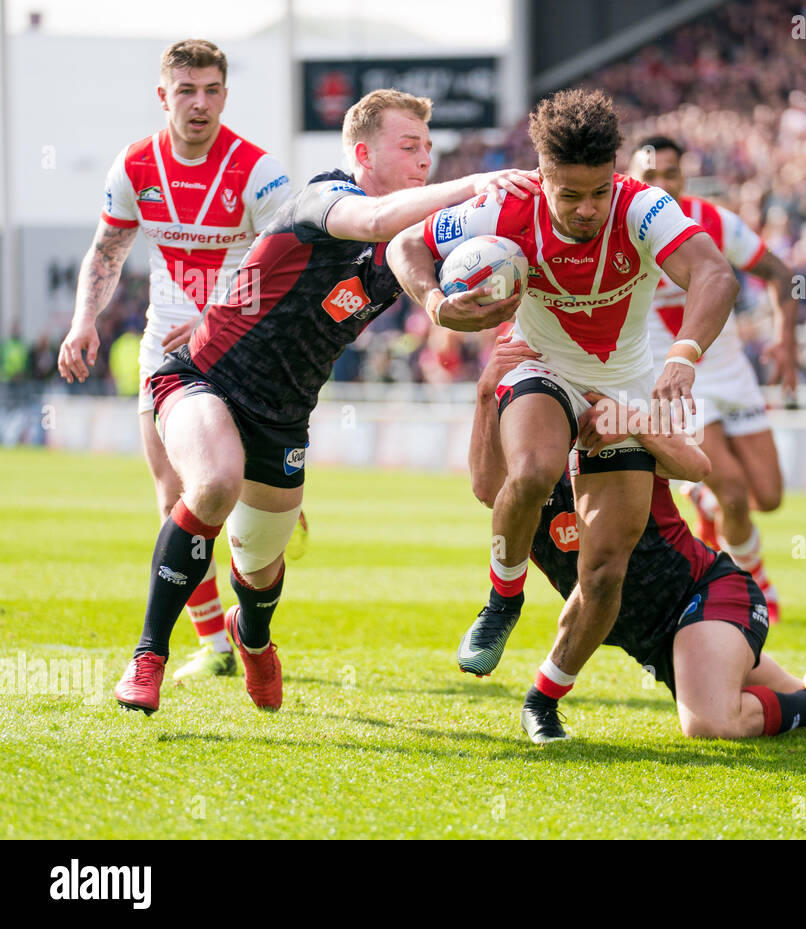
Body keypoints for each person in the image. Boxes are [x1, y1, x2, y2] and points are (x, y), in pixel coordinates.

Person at [110, 88, 535, 714]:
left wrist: (456, 303)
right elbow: (372, 223)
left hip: (283, 416)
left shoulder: (413, 232)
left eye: (429, 149)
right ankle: (148, 657)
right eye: (409, 146)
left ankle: (250, 636)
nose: (425, 160)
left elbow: (411, 253)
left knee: (258, 567)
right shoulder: (323, 196)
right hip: (205, 376)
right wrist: (476, 181)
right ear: (363, 152)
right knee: (213, 482)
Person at [388, 89, 738, 743]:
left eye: (597, 192)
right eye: (568, 193)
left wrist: (684, 356)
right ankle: (503, 598)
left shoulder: (640, 205)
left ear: (615, 174)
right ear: (540, 175)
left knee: (605, 567)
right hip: (541, 363)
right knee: (532, 471)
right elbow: (405, 245)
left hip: (624, 385)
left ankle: (546, 695)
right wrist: (436, 305)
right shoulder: (505, 203)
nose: (586, 208)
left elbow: (715, 273)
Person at [469, 335, 806, 741]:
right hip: (660, 639)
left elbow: (696, 462)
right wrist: (484, 392)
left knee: (711, 722)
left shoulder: (605, 419)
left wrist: (631, 418)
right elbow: (486, 489)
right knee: (802, 687)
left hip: (706, 598)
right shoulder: (525, 472)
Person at [57, 39, 294, 684]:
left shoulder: (258, 172)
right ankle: (215, 645)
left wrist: (222, 317)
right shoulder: (136, 166)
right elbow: (107, 251)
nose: (200, 103)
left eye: (212, 90)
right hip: (168, 349)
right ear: (163, 96)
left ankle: (252, 626)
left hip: (247, 353)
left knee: (253, 516)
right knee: (178, 500)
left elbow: (286, 268)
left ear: (224, 94)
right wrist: (86, 321)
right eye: (186, 90)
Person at [627, 136, 799, 622]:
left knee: (769, 496)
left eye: (670, 174)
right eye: (649, 176)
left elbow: (783, 276)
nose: (660, 184)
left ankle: (697, 492)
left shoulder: (714, 222)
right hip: (676, 377)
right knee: (736, 495)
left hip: (730, 372)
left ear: (685, 176)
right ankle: (755, 587)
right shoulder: (622, 227)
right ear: (633, 179)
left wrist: (786, 343)